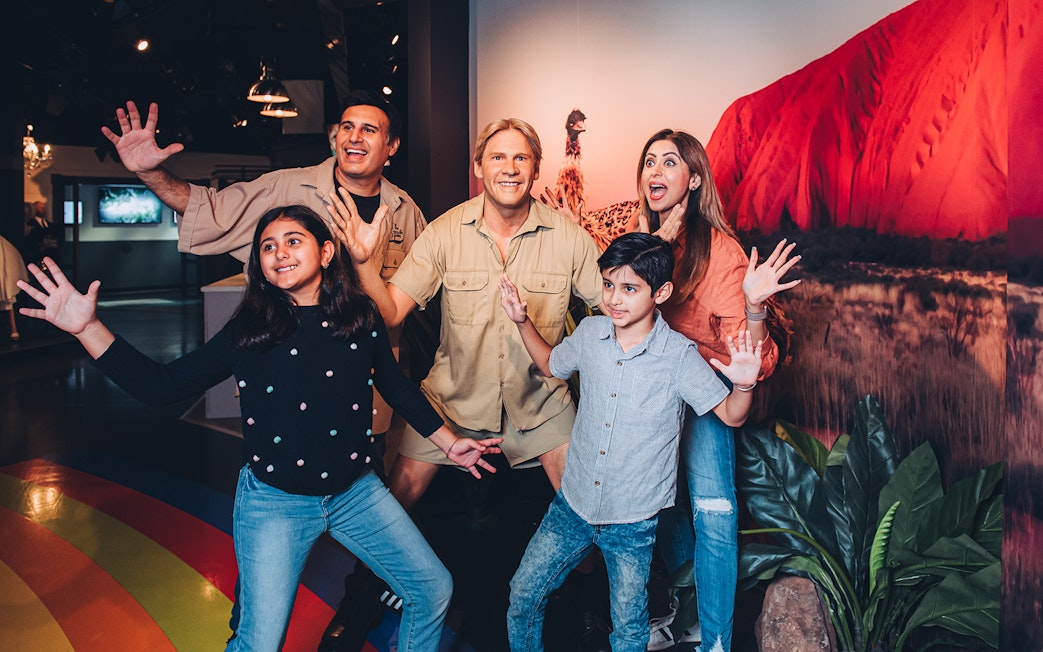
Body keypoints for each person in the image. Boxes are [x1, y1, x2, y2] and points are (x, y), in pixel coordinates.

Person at [16, 205, 503, 651]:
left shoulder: (361, 317)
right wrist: (88, 328)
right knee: (259, 643)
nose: (279, 252)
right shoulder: (249, 330)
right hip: (274, 502)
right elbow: (160, 386)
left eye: (293, 240)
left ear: (325, 252)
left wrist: (449, 443)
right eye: (268, 246)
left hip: (356, 492)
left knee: (431, 588)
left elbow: (396, 386)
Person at [102, 91, 427, 648]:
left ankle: (353, 616)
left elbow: (403, 307)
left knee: (383, 536)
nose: (354, 137)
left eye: (369, 130)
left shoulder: (406, 212)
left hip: (362, 405)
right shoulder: (287, 188)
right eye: (346, 127)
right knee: (264, 581)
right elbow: (208, 208)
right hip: (289, 405)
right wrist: (150, 174)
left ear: (391, 146)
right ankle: (251, 621)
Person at [328, 118, 613, 647]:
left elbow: (615, 310)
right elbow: (390, 311)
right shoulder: (444, 232)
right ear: (478, 167)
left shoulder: (570, 238)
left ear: (535, 168)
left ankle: (591, 602)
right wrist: (363, 263)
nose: (509, 168)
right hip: (453, 400)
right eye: (497, 157)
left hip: (541, 402)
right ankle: (361, 593)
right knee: (397, 496)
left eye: (521, 158)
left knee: (584, 506)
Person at [499, 232, 763, 652]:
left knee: (628, 631)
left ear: (661, 293)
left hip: (632, 525)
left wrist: (744, 384)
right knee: (523, 595)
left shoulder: (679, 356)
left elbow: (732, 415)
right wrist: (520, 320)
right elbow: (550, 364)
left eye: (629, 288)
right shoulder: (590, 333)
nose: (614, 299)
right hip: (573, 507)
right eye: (608, 284)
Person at [632, 130, 800, 652]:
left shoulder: (719, 250)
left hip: (705, 394)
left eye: (670, 162)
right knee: (662, 505)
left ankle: (717, 640)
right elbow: (620, 310)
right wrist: (657, 243)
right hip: (652, 394)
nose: (656, 171)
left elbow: (753, 358)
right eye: (650, 161)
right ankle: (692, 617)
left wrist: (753, 308)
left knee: (714, 509)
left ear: (694, 179)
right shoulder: (640, 236)